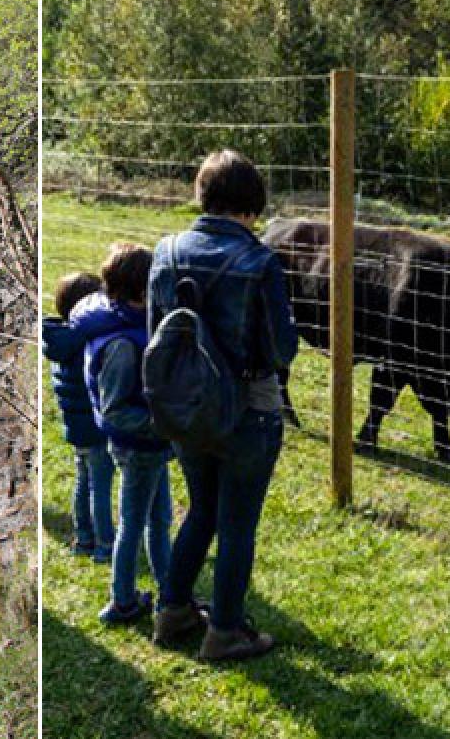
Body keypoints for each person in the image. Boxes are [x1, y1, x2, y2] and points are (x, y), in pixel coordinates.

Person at [148, 149, 298, 659]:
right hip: (249, 407)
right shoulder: (260, 261)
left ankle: (171, 610)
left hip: (186, 405)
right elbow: (282, 350)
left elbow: (154, 336)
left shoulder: (165, 252)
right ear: (251, 208)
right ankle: (226, 630)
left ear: (202, 196)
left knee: (200, 511)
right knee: (237, 523)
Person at [70, 243, 172, 624]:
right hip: (138, 446)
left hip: (151, 444)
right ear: (140, 292)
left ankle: (168, 591)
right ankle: (123, 601)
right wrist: (163, 424)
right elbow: (115, 409)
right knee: (133, 525)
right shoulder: (121, 344)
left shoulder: (122, 324)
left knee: (159, 520)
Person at [41, 272, 115, 562]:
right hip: (95, 426)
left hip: (76, 426)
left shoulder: (60, 340)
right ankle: (104, 544)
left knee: (83, 481)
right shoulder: (83, 341)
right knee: (99, 486)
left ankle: (83, 538)